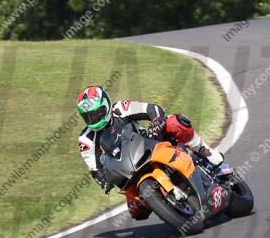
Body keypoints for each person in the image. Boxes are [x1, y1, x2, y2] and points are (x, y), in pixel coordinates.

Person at [77, 85, 224, 219]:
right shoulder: (85, 139)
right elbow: (95, 169)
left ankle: (205, 152)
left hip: (150, 145)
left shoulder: (120, 109)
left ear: (106, 104)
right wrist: (104, 181)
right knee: (136, 212)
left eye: (97, 113)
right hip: (128, 172)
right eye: (88, 117)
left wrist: (156, 120)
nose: (93, 119)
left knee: (174, 123)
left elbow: (152, 109)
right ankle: (169, 206)